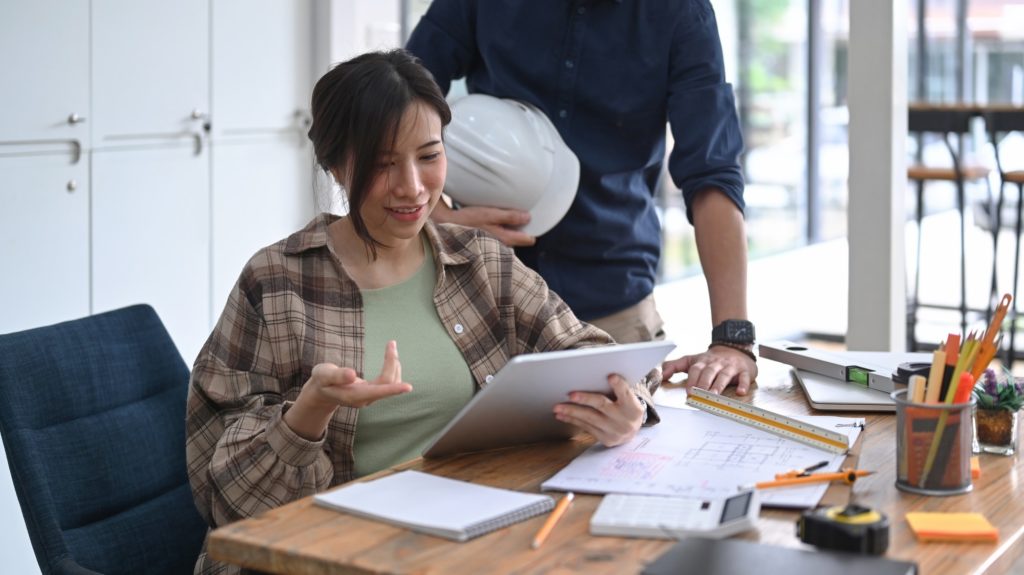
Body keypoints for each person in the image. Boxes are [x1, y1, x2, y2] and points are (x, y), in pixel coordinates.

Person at [185, 49, 659, 574]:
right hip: (330, 555)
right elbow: (227, 500)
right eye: (383, 164)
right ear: (337, 164)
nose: (412, 187)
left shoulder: (478, 261)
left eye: (429, 156)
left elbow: (590, 352)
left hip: (468, 541)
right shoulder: (275, 283)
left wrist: (627, 404)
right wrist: (309, 412)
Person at [406, 0, 758, 395]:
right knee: (469, 457)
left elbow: (711, 173)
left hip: (612, 313)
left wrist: (732, 338)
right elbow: (395, 102)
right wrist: (437, 216)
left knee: (626, 450)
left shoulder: (680, 12)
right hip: (481, 303)